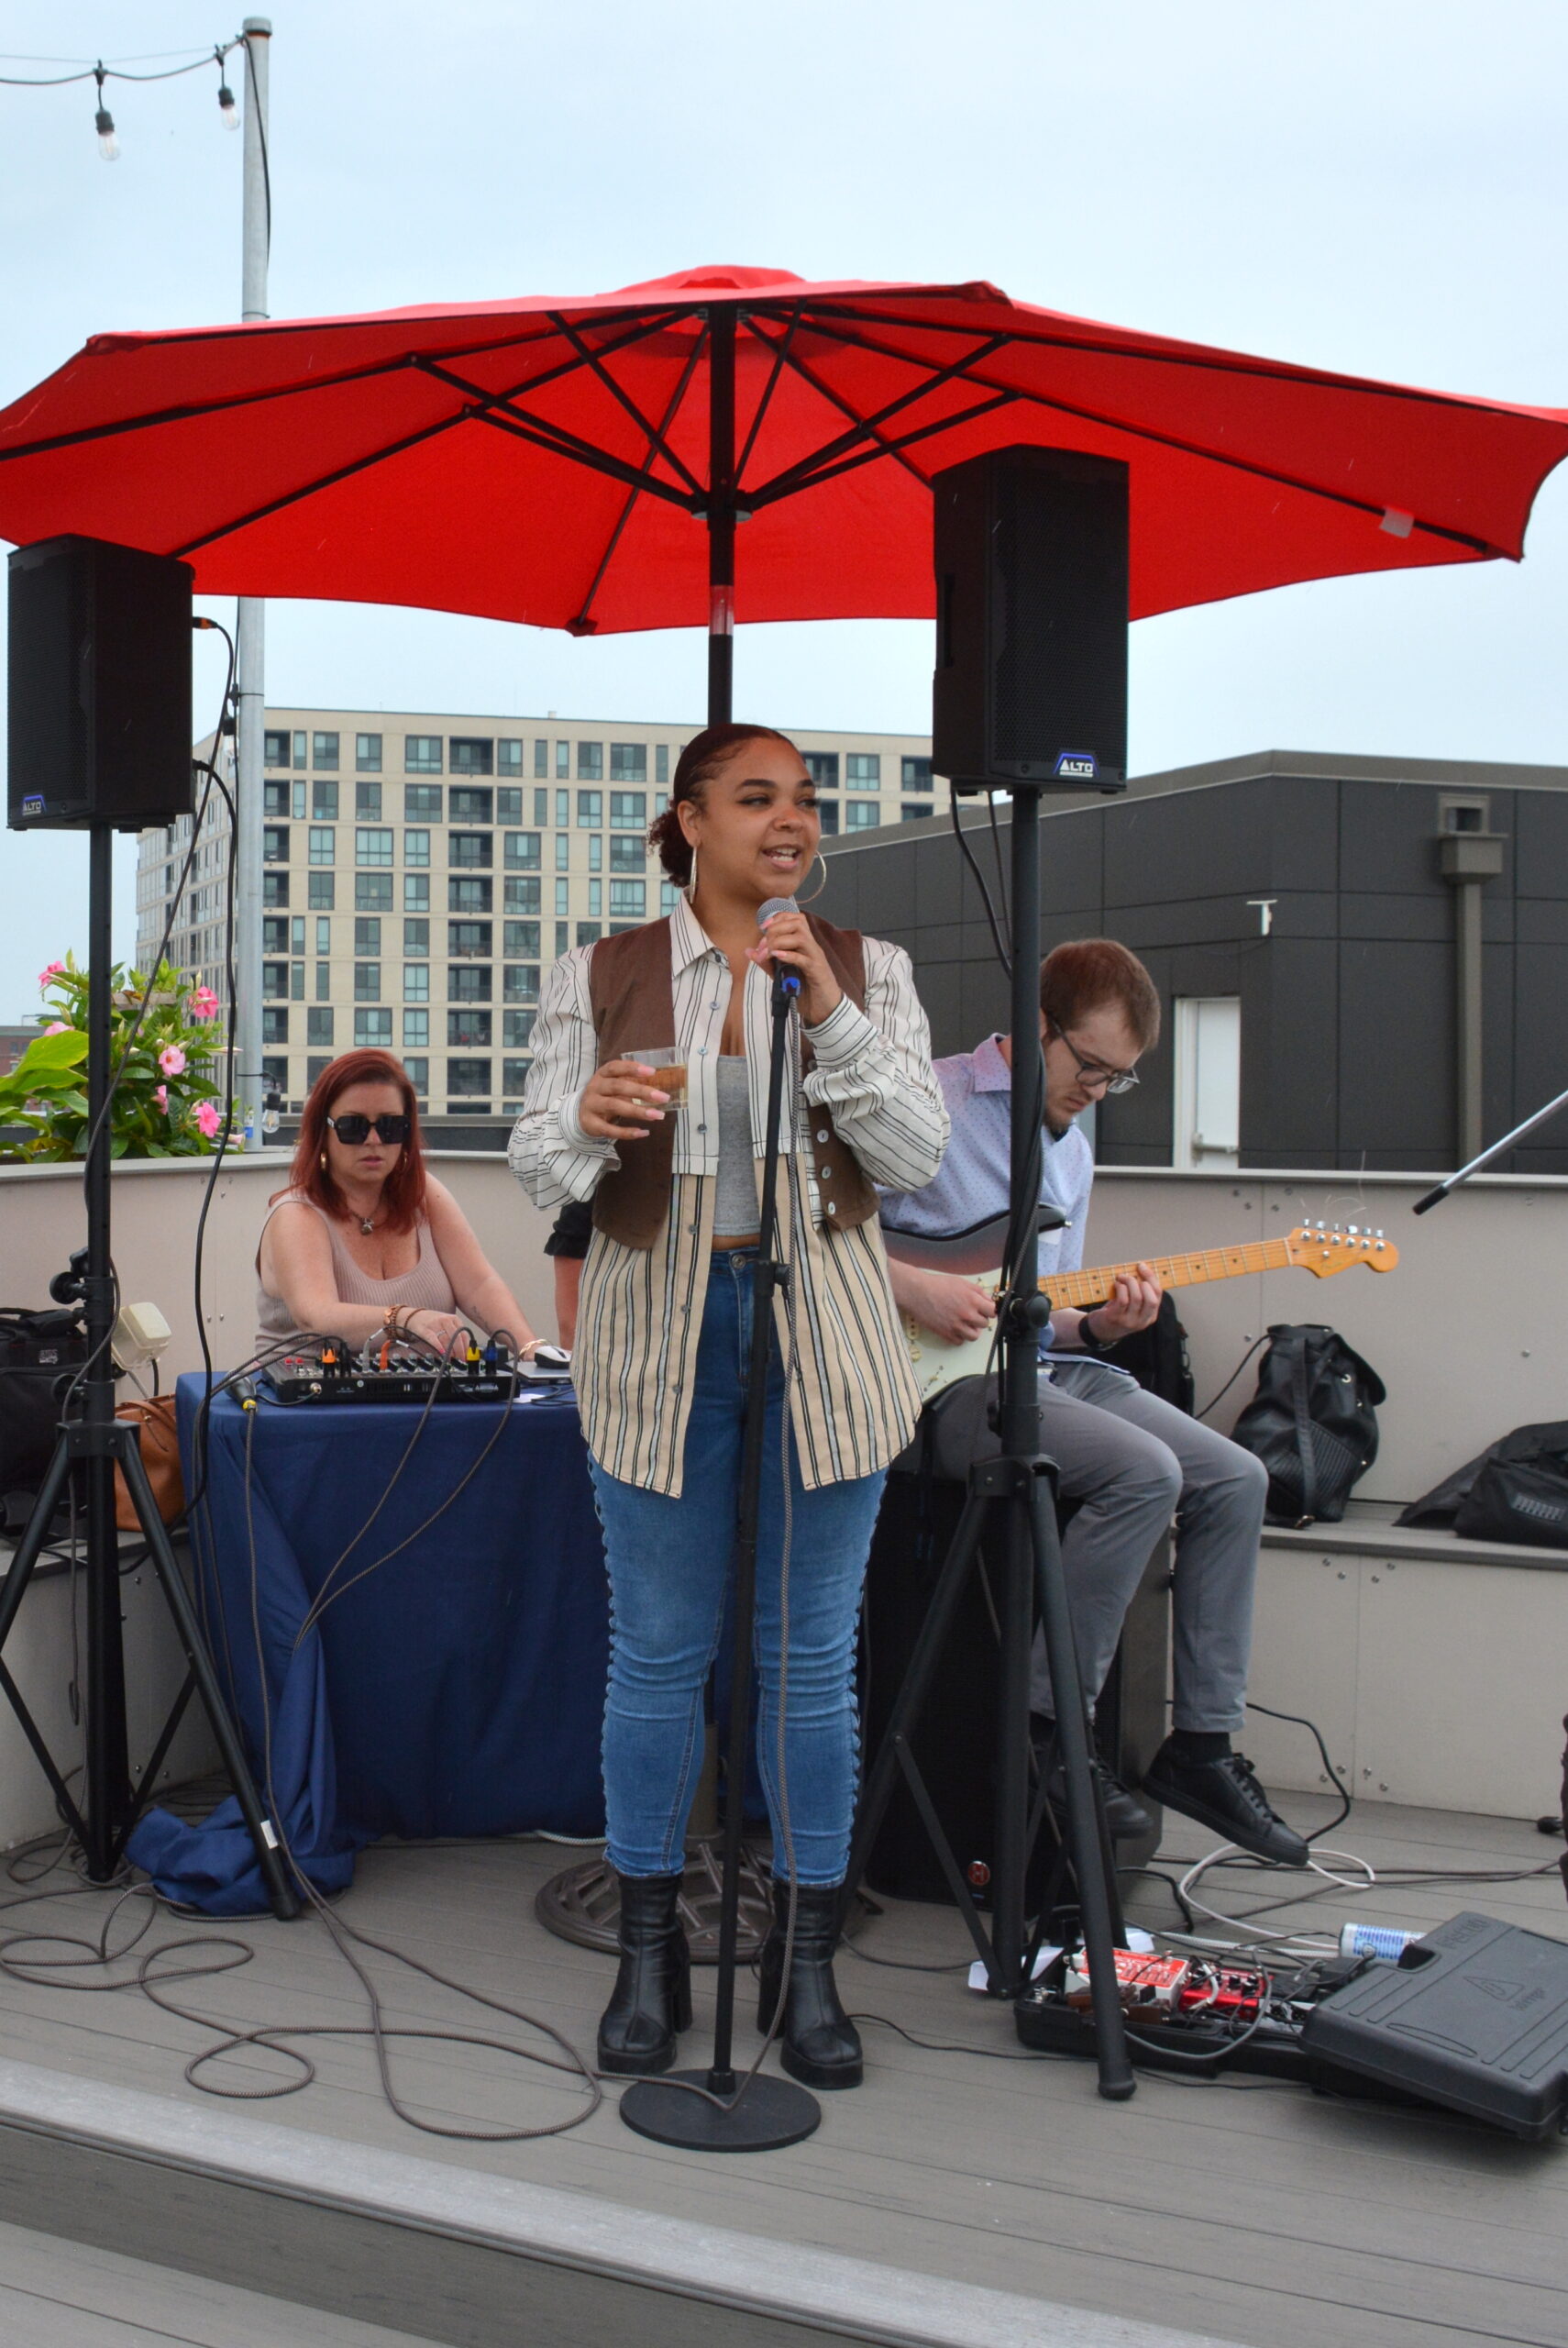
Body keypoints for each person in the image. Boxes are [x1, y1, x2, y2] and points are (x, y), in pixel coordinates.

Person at [511, 722, 947, 2089]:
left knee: (806, 1661)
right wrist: (583, 1115)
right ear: (688, 821)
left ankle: (805, 1964)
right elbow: (533, 1164)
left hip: (820, 1328)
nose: (790, 822)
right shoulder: (606, 973)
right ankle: (650, 1955)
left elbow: (919, 1157)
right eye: (755, 798)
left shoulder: (866, 971)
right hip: (657, 1336)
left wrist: (824, 1008)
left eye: (803, 802)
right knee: (658, 1654)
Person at [878, 939, 1309, 1869]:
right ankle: (1050, 1735)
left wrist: (1106, 1329)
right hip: (928, 1384)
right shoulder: (929, 1104)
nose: (1099, 1092)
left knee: (1235, 1477)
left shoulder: (1074, 1146)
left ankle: (1199, 1746)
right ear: (1039, 1027)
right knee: (1141, 1470)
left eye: (1122, 1080)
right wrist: (914, 1286)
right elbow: (808, 1232)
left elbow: (1047, 1318)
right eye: (1092, 1067)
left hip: (1034, 1368)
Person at [257, 1048, 546, 1363]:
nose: (374, 1139)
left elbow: (478, 1285)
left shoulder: (425, 1194)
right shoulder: (297, 1213)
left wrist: (531, 1350)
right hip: (307, 1405)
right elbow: (316, 1316)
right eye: (353, 1127)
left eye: (391, 1126)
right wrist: (406, 1320)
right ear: (321, 1132)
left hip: (428, 1400)